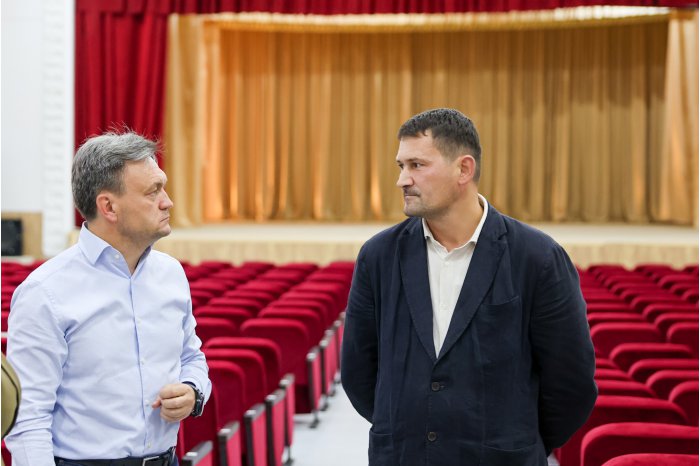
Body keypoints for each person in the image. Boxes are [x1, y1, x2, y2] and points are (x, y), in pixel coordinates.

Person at [341, 108, 597, 465]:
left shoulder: (537, 257)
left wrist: (517, 441)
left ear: (464, 169)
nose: (402, 180)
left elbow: (571, 383)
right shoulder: (378, 256)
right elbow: (358, 372)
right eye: (401, 166)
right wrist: (407, 428)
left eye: (417, 165)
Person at [5, 131, 211, 466]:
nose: (167, 202)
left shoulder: (171, 275)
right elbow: (28, 417)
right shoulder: (45, 292)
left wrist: (192, 389)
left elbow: (192, 357)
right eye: (153, 191)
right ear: (109, 207)